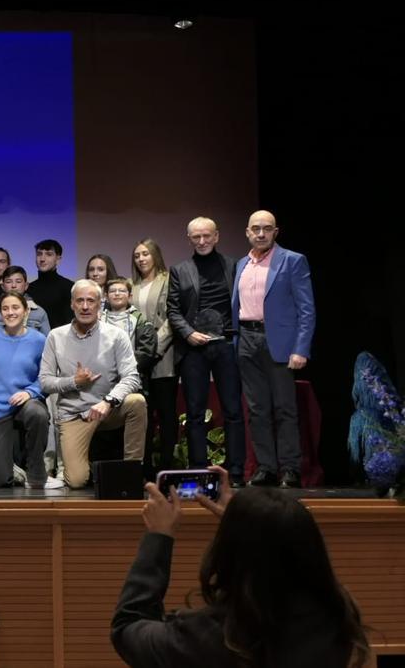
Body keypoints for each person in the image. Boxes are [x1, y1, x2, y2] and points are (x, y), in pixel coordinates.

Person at [112, 466, 369, 668]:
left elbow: (128, 627)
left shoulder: (209, 637)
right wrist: (244, 523)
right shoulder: (336, 617)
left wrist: (159, 536)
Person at [233, 210, 316, 488]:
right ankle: (266, 468)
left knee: (284, 408)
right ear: (247, 232)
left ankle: (290, 469)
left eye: (266, 228)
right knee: (257, 410)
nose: (261, 233)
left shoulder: (292, 261)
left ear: (275, 232)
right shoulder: (242, 264)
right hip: (247, 339)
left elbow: (306, 309)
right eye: (255, 228)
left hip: (277, 341)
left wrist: (300, 348)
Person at [39, 280, 146, 489]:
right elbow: (45, 382)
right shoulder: (55, 336)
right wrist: (74, 382)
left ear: (100, 304)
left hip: (107, 409)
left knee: (137, 402)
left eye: (91, 301)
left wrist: (108, 401)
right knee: (76, 481)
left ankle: (131, 471)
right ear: (72, 304)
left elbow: (132, 377)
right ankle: (88, 468)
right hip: (74, 414)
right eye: (80, 301)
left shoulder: (116, 335)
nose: (85, 306)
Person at [167, 217, 246, 484]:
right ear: (189, 239)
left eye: (206, 236)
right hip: (194, 348)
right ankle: (199, 470)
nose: (202, 241)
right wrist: (189, 333)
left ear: (216, 236)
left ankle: (236, 472)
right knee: (195, 413)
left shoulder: (234, 266)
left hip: (226, 345)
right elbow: (173, 310)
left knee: (233, 410)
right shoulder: (179, 270)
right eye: (196, 237)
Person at [0, 292, 50, 489]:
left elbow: (45, 377)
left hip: (26, 401)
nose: (10, 312)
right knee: (0, 479)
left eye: (15, 307)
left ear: (26, 311)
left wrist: (30, 392)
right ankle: (14, 469)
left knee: (37, 413)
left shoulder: (39, 340)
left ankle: (36, 473)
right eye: (5, 308)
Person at [131, 238, 177, 473]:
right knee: (144, 416)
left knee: (166, 413)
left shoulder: (168, 280)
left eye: (145, 254)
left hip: (162, 356)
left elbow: (172, 318)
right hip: (138, 361)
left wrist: (153, 349)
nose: (141, 259)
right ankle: (145, 467)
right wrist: (139, 355)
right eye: (137, 255)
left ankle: (167, 466)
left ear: (155, 255)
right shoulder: (132, 286)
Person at [102, 278, 158, 378]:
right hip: (103, 374)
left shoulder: (140, 320)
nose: (117, 294)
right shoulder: (99, 320)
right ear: (106, 296)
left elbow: (145, 352)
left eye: (122, 291)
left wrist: (124, 367)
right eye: (113, 291)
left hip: (131, 374)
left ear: (130, 296)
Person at [0, 265, 51, 336]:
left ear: (26, 286)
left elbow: (47, 342)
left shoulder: (39, 312)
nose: (13, 286)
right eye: (8, 282)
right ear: (2, 286)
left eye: (18, 281)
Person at [27, 239, 74, 328]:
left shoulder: (69, 287)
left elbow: (71, 323)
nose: (42, 259)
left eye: (49, 254)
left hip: (60, 336)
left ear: (58, 259)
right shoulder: (29, 288)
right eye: (39, 254)